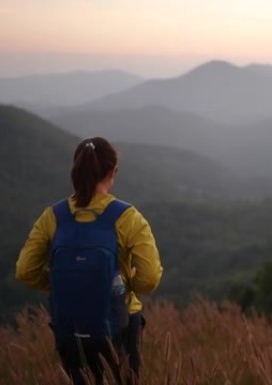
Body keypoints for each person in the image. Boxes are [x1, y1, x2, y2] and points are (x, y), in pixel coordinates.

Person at [16, 137, 163, 384]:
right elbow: (149, 280)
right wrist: (117, 288)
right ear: (112, 172)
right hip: (120, 326)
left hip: (70, 327)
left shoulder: (52, 217)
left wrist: (65, 285)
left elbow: (25, 271)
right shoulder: (129, 218)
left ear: (77, 170)